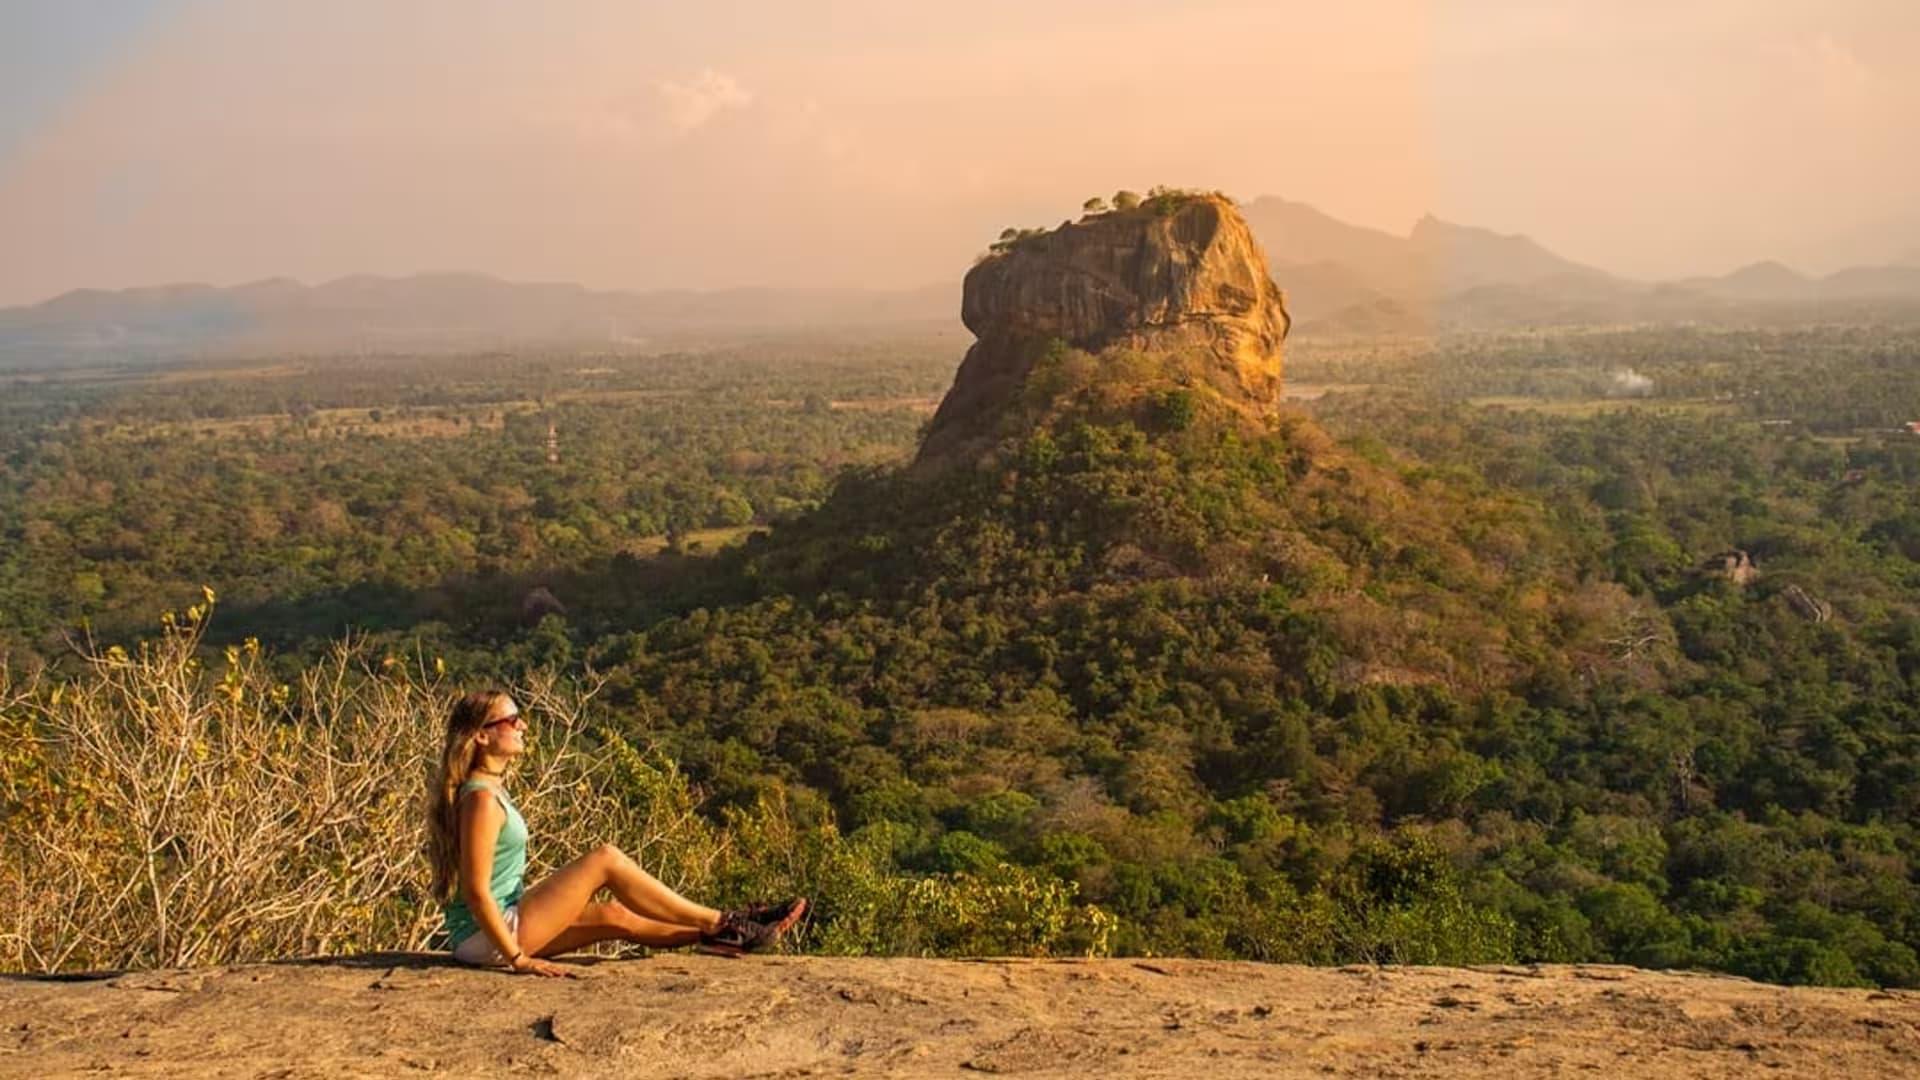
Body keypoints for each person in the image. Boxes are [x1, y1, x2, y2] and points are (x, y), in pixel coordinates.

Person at [425, 689, 804, 976]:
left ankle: (726, 933)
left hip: (495, 930)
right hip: (487, 937)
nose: (522, 725)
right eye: (511, 720)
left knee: (615, 915)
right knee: (605, 860)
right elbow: (475, 892)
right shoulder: (480, 800)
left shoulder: (488, 789)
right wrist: (518, 958)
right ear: (480, 736)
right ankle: (722, 921)